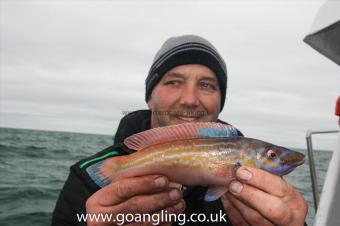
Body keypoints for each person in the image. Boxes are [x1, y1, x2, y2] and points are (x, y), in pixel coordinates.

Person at [52, 35, 308, 226]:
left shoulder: (262, 194)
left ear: (220, 101)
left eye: (207, 85)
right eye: (174, 82)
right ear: (149, 97)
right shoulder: (87, 179)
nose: (189, 99)